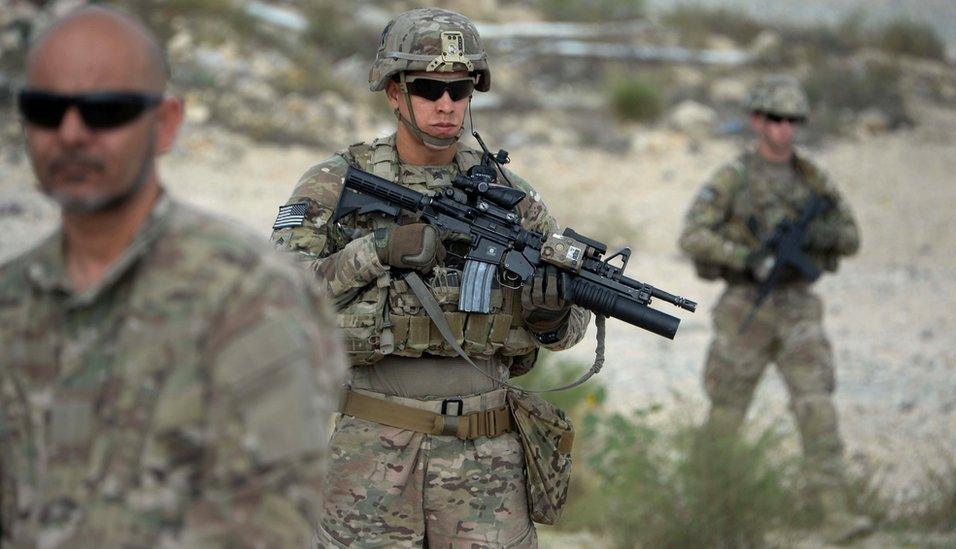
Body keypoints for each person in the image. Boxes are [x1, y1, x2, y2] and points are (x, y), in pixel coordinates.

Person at [0, 7, 348, 546]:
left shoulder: (251, 293)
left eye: (105, 111)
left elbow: (274, 522)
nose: (70, 134)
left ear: (164, 124)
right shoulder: (11, 300)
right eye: (45, 110)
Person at [271, 7, 589, 547]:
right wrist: (376, 250)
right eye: (427, 87)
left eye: (460, 90)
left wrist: (550, 312)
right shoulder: (337, 181)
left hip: (486, 459)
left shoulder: (511, 197)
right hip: (372, 450)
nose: (446, 105)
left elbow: (570, 327)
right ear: (394, 92)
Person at [679, 74, 871, 543]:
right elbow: (693, 235)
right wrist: (747, 257)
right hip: (747, 301)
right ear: (757, 120)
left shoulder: (811, 178)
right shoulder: (733, 178)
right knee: (726, 409)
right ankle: (707, 508)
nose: (785, 129)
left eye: (793, 120)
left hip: (799, 305)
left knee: (817, 406)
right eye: (776, 119)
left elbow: (849, 236)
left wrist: (808, 238)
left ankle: (833, 512)